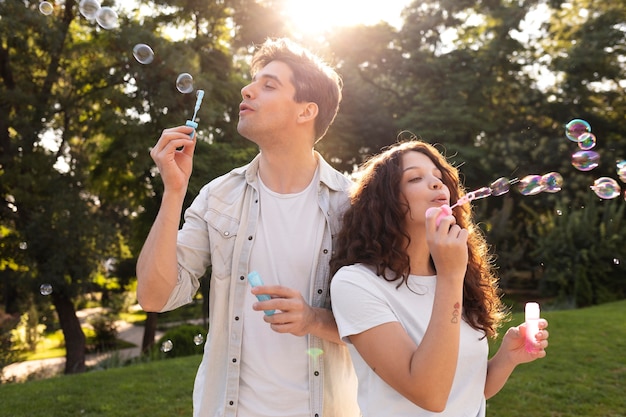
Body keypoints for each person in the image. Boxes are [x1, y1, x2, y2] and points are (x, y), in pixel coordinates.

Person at [136, 38, 360, 417]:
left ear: (306, 111)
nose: (247, 89)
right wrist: (174, 192)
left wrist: (312, 319)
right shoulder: (217, 197)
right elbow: (154, 297)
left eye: (269, 84)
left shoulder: (351, 205)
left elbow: (384, 325)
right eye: (253, 81)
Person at [329, 138, 549, 416]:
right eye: (415, 178)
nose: (437, 184)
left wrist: (506, 358)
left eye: (439, 177)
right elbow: (431, 395)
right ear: (384, 202)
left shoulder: (457, 276)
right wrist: (450, 275)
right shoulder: (357, 284)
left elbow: (465, 392)